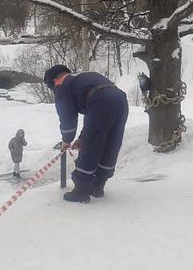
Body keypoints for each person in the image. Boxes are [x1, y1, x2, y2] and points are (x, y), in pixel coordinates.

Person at [44, 65, 130, 203]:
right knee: (111, 143)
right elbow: (94, 118)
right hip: (120, 100)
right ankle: (98, 185)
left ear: (54, 81)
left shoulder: (61, 84)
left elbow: (67, 117)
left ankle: (81, 191)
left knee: (92, 145)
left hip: (101, 101)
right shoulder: (82, 78)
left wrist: (66, 141)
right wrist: (82, 138)